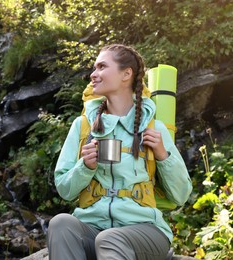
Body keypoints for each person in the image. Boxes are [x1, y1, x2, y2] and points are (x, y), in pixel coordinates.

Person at [47, 44, 193, 260]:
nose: (93, 74)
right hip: (93, 228)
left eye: (101, 67)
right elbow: (65, 190)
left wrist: (163, 156)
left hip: (145, 232)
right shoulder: (83, 126)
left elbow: (181, 195)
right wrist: (84, 167)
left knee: (110, 238)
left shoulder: (154, 128)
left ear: (126, 74)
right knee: (61, 224)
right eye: (94, 68)